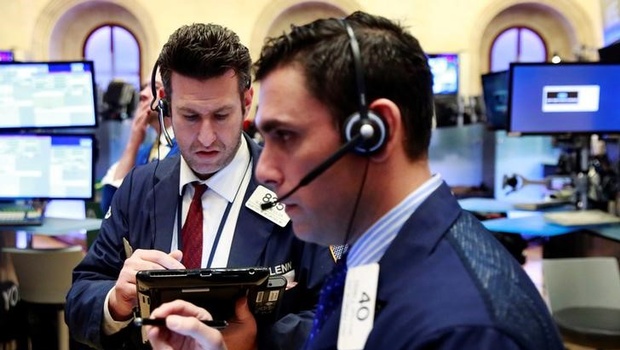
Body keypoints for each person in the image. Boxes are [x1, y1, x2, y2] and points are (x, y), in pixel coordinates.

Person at [145, 11, 565, 350]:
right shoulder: (378, 259)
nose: (264, 170)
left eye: (286, 137)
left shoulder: (467, 331)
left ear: (374, 132)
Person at [65, 22, 333, 350]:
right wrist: (116, 301)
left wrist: (256, 341)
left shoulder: (297, 187)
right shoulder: (139, 187)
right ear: (164, 104)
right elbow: (80, 296)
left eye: (221, 115)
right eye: (190, 117)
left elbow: (339, 317)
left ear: (246, 101)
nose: (206, 137)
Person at [99, 77, 179, 213]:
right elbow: (109, 207)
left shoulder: (183, 153)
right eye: (144, 87)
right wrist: (133, 142)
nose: (142, 94)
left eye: (154, 87)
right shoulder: (143, 152)